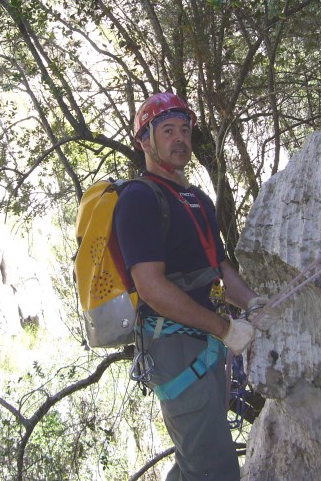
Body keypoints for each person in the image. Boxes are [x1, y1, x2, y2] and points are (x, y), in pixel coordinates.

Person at [113, 92, 267, 480]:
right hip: (175, 347)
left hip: (206, 344)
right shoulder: (138, 198)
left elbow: (218, 267)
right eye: (168, 131)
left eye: (184, 130)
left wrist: (252, 302)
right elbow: (151, 288)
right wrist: (225, 328)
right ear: (144, 141)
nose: (180, 138)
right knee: (213, 468)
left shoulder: (196, 198)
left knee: (197, 464)